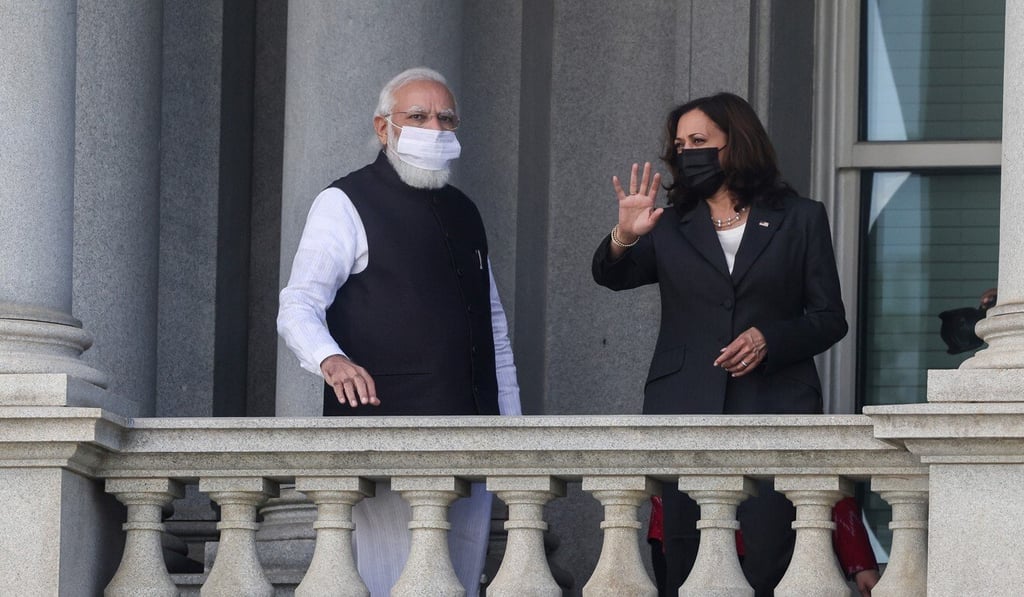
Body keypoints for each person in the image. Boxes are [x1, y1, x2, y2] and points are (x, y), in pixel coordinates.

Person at [277, 67, 521, 597]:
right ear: (384, 128)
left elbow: (493, 326)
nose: (435, 127)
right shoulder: (344, 202)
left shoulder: (465, 212)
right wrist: (330, 359)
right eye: (418, 116)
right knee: (390, 582)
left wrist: (513, 427)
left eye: (446, 117)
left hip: (473, 435)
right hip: (385, 431)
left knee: (459, 582)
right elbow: (298, 304)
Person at [593, 92, 848, 595]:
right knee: (687, 559)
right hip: (684, 404)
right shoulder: (668, 224)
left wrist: (769, 336)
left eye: (700, 141)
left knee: (773, 555)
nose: (688, 152)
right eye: (681, 144)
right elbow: (611, 276)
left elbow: (829, 319)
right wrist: (625, 233)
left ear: (736, 144)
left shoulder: (800, 217)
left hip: (775, 403)